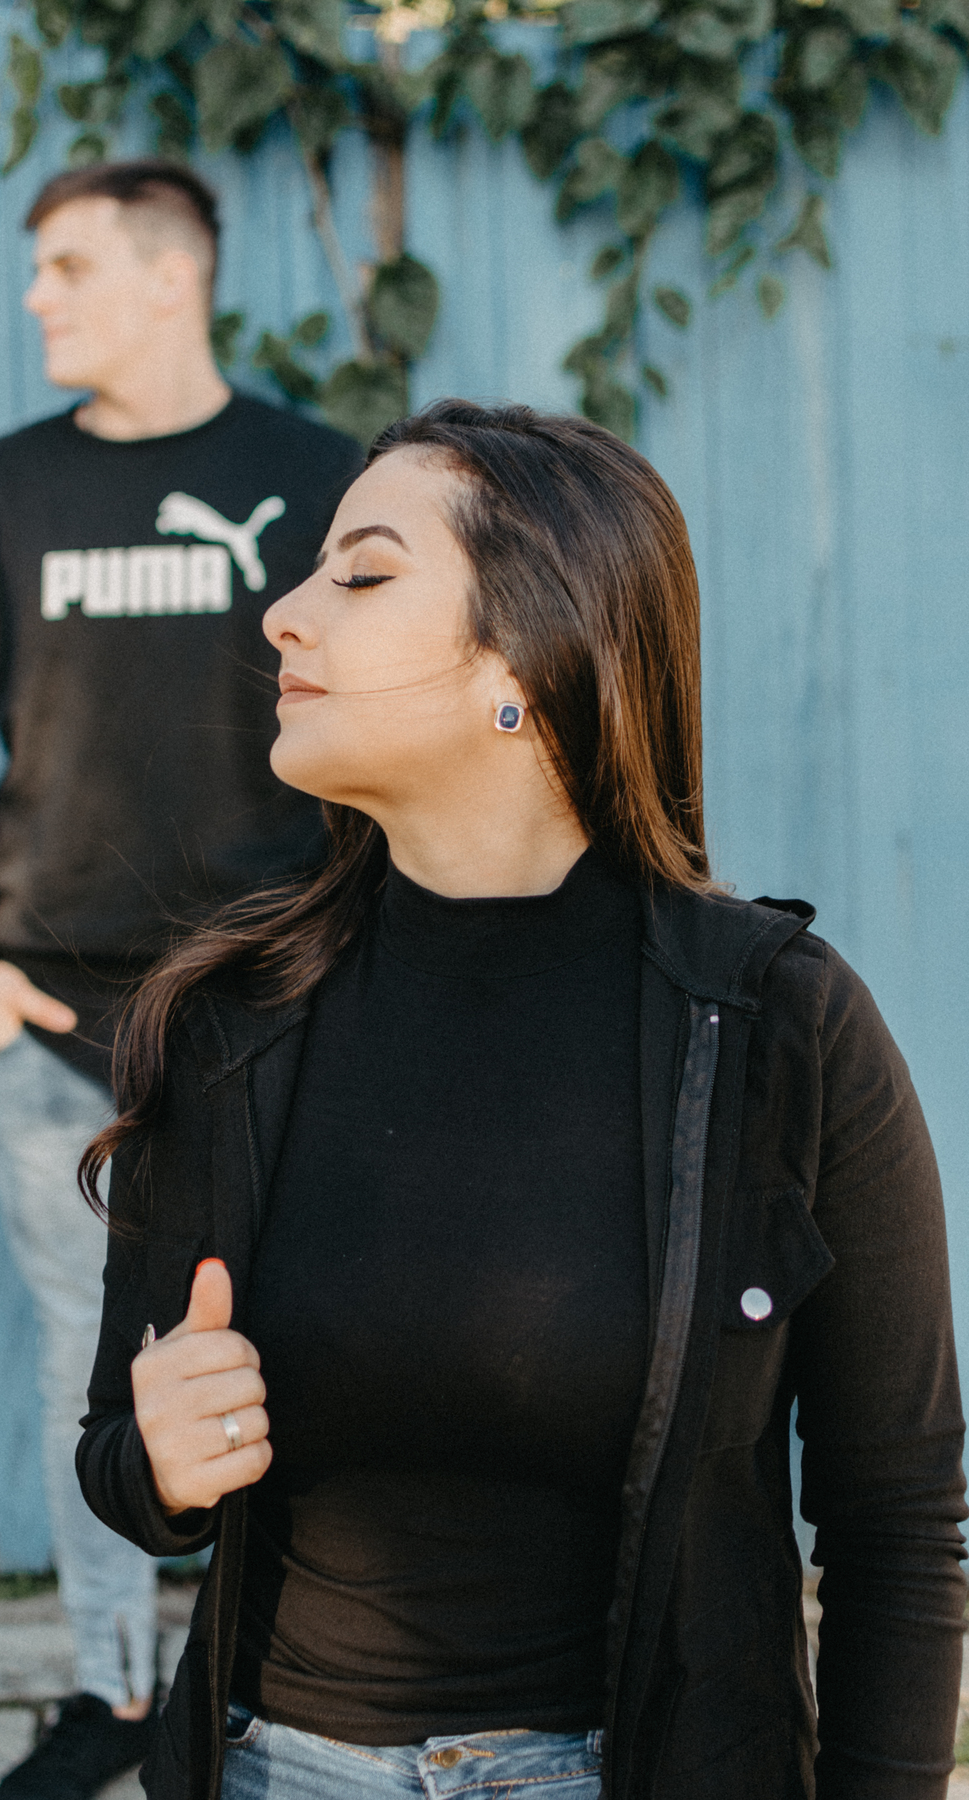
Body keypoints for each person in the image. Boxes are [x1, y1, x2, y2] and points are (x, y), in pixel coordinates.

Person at [76, 399, 967, 1800]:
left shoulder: (780, 1027)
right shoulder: (227, 1022)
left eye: (362, 575)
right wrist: (165, 1463)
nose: (283, 617)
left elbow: (899, 1520)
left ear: (528, 662)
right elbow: (119, 1465)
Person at [0, 159, 362, 1799]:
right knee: (78, 1363)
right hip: (54, 1022)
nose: (36, 297)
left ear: (173, 276)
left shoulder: (313, 479)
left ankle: (278, 1678)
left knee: (296, 1337)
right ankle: (111, 1691)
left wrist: (353, 956)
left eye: (69, 266)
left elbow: (382, 722)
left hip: (277, 1001)